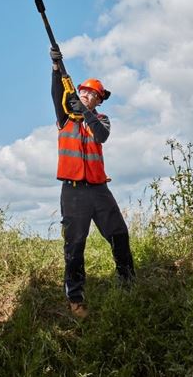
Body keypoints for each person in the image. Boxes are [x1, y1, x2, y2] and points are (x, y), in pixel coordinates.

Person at [50, 47, 135, 318]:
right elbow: (56, 94)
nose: (87, 96)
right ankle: (76, 299)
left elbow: (101, 136)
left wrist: (84, 112)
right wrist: (56, 68)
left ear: (98, 101)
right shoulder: (65, 118)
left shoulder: (101, 120)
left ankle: (128, 284)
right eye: (84, 92)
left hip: (99, 190)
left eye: (93, 95)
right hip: (73, 192)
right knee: (74, 246)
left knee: (119, 235)